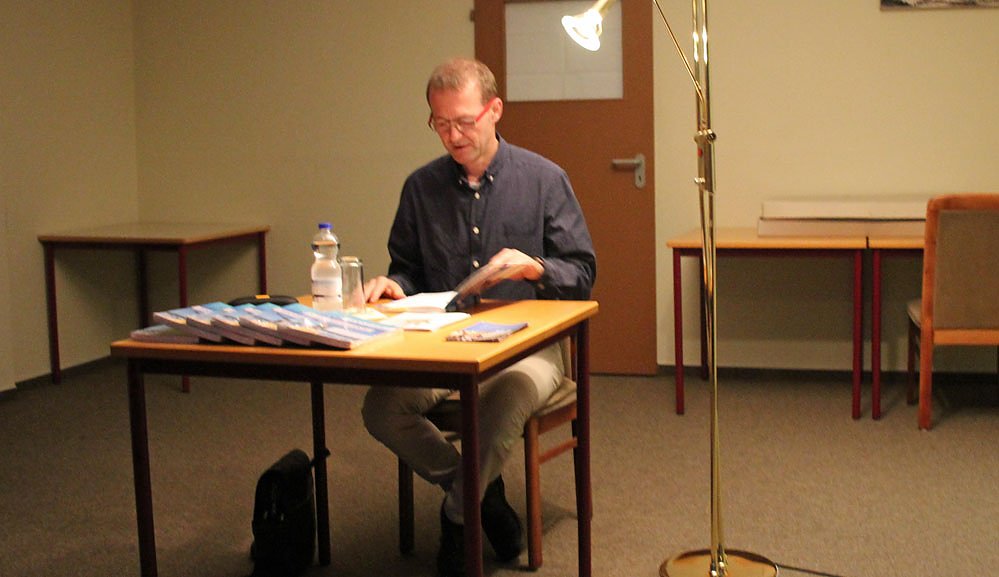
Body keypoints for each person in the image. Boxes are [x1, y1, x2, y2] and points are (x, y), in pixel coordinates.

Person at [361, 57, 596, 577]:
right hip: (445, 343)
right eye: (440, 123)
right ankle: (481, 495)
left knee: (505, 397)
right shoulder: (421, 187)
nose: (453, 135)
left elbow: (582, 273)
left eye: (464, 121)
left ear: (495, 111)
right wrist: (393, 284)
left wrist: (536, 268)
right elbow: (408, 269)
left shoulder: (543, 179)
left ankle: (458, 518)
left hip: (529, 347)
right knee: (380, 408)